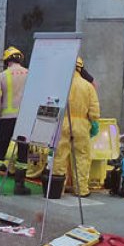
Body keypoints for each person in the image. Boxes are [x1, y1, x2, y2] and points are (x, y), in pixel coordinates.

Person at [49, 57, 101, 197]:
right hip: (82, 125)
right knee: (82, 158)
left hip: (62, 123)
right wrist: (93, 122)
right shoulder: (88, 86)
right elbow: (94, 111)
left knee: (60, 156)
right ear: (80, 68)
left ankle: (58, 189)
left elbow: (51, 105)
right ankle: (82, 190)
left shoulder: (60, 85)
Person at [0, 46, 29, 194]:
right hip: (24, 119)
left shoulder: (3, 76)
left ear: (7, 61)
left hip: (6, 119)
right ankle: (19, 186)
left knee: (0, 150)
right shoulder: (29, 74)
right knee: (23, 152)